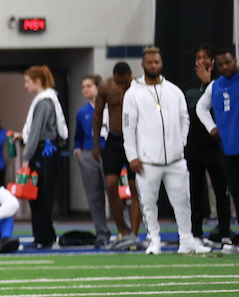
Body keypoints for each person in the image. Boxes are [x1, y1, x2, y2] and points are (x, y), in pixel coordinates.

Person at [122, 46, 209, 255]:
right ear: (143, 65)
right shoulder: (133, 93)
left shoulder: (173, 90)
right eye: (150, 62)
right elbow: (128, 127)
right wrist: (132, 156)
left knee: (183, 201)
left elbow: (184, 118)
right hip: (147, 160)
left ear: (161, 64)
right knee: (148, 203)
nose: (153, 66)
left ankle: (187, 239)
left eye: (157, 62)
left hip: (175, 159)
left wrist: (179, 143)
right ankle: (154, 239)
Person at [183, 45, 232, 247]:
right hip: (194, 145)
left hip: (215, 145)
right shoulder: (188, 86)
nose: (201, 60)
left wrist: (207, 82)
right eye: (198, 57)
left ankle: (225, 232)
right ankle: (196, 233)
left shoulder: (221, 85)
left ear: (212, 62)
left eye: (205, 57)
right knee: (195, 191)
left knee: (221, 190)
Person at [194, 46, 239, 254]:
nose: (224, 67)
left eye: (228, 62)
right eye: (220, 64)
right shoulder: (215, 86)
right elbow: (200, 107)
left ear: (235, 60)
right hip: (228, 148)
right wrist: (212, 128)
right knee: (235, 194)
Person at [93, 62, 143, 244]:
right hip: (114, 139)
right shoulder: (106, 86)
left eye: (125, 83)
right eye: (119, 83)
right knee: (111, 184)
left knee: (135, 187)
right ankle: (122, 230)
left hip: (135, 139)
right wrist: (96, 144)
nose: (122, 87)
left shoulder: (140, 87)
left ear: (131, 75)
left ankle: (135, 234)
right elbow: (97, 114)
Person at [20, 65, 66, 249]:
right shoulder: (48, 99)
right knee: (40, 193)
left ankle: (44, 237)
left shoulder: (44, 102)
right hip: (46, 149)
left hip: (44, 150)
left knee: (41, 194)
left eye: (27, 82)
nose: (26, 86)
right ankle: (42, 235)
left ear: (37, 82)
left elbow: (36, 132)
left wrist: (26, 158)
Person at [73, 75, 112, 247]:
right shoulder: (82, 112)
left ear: (98, 87)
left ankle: (126, 231)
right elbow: (78, 136)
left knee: (115, 192)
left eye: (89, 86)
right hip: (89, 155)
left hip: (109, 153)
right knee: (94, 197)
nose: (85, 90)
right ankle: (101, 233)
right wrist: (78, 152)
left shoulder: (111, 107)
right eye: (83, 87)